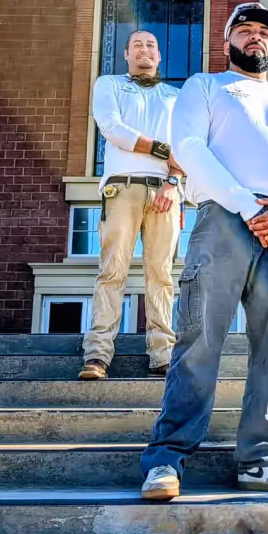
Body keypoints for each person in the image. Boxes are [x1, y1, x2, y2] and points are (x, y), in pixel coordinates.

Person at [139, 2, 268, 501]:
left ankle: (261, 459)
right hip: (223, 221)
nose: (256, 38)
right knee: (199, 339)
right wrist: (249, 207)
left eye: (265, 32)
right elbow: (190, 149)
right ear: (228, 41)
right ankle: (167, 460)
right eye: (245, 30)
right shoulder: (205, 86)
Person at [80, 30, 184, 381]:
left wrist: (173, 180)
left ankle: (163, 353)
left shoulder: (175, 96)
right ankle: (97, 355)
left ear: (159, 56)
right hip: (121, 188)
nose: (144, 49)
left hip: (164, 192)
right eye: (137, 44)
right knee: (112, 271)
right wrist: (164, 151)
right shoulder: (109, 84)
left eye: (151, 45)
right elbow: (112, 128)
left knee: (161, 275)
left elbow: (185, 147)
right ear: (126, 53)